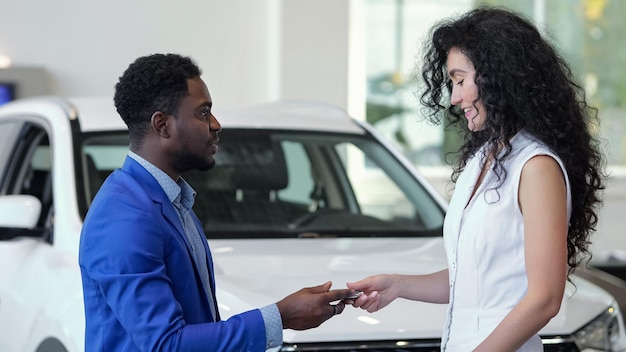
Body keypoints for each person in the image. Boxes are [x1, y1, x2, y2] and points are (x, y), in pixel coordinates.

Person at [347, 7, 606, 352]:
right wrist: (397, 285)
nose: (454, 98)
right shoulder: (483, 160)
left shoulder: (537, 167)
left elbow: (545, 298)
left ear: (497, 76)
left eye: (459, 80)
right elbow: (476, 281)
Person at [78, 53, 356, 351]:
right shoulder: (124, 217)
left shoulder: (172, 200)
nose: (215, 124)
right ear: (162, 125)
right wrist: (281, 317)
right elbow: (167, 345)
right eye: (203, 113)